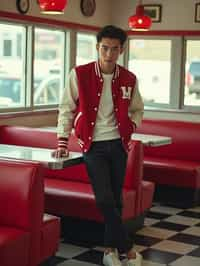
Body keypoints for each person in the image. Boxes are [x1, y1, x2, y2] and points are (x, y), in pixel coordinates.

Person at [53, 25, 144, 266]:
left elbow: (137, 109)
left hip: (119, 144)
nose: (109, 53)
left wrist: (131, 128)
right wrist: (62, 140)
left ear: (121, 50)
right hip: (92, 146)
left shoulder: (129, 78)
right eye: (105, 48)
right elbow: (66, 108)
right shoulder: (80, 74)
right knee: (104, 198)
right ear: (97, 47)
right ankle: (128, 247)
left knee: (115, 199)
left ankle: (110, 251)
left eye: (114, 49)